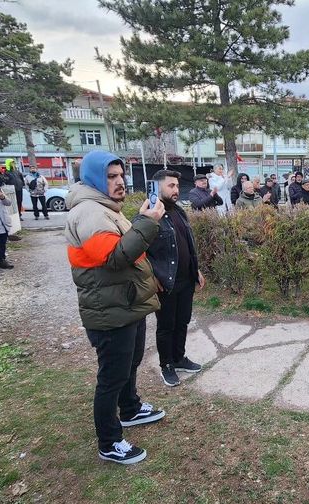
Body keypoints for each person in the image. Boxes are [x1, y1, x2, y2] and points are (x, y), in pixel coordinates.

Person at [65, 150, 167, 465]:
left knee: (130, 362)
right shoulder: (90, 213)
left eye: (121, 175)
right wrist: (147, 223)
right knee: (112, 376)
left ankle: (131, 408)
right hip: (109, 310)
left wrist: (141, 222)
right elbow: (115, 258)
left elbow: (127, 251)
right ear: (95, 178)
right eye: (111, 177)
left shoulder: (107, 209)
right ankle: (109, 441)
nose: (120, 182)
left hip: (124, 304)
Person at [146, 170, 205, 388]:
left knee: (182, 321)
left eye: (177, 186)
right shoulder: (150, 213)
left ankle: (179, 358)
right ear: (158, 187)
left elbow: (187, 245)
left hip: (185, 280)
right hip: (166, 282)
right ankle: (166, 365)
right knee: (166, 325)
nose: (176, 190)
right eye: (171, 186)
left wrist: (195, 269)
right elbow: (140, 249)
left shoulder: (179, 211)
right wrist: (152, 275)